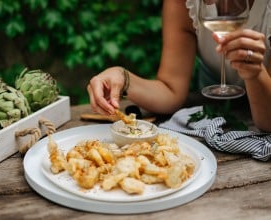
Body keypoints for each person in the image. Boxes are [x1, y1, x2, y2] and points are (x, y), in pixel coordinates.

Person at [87, 0, 271, 132]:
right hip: (218, 107)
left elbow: (268, 122)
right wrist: (122, 77)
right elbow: (170, 91)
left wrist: (254, 73)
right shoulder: (184, 3)